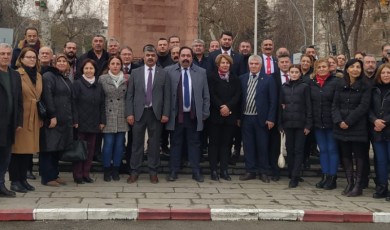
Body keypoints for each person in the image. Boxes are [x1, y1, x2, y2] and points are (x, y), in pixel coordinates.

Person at [125, 45, 170, 184]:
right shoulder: (135, 73)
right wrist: (129, 113)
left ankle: (153, 171)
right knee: (136, 144)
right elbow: (130, 95)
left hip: (155, 114)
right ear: (143, 57)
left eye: (153, 56)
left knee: (154, 144)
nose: (150, 58)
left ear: (156, 57)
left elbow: (167, 96)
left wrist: (165, 113)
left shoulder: (163, 73)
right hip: (139, 113)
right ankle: (134, 171)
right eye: (148, 55)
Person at [165, 46, 210, 182]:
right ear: (178, 57)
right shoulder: (169, 71)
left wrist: (205, 112)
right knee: (175, 143)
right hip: (176, 116)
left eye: (188, 56)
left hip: (194, 116)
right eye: (183, 56)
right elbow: (165, 95)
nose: (185, 58)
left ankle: (196, 171)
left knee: (195, 144)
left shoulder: (201, 72)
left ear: (192, 57)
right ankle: (173, 170)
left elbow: (205, 94)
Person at [332, 59, 371, 197]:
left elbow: (363, 106)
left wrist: (348, 121)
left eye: (358, 67)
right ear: (347, 69)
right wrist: (338, 120)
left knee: (359, 156)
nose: (355, 69)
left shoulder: (366, 85)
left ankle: (358, 185)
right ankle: (350, 182)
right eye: (352, 67)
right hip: (341, 126)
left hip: (357, 126)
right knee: (346, 155)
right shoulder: (340, 84)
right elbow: (334, 104)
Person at [238, 55, 277, 183]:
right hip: (246, 118)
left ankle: (263, 171)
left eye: (256, 64)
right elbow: (239, 99)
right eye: (251, 64)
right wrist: (238, 117)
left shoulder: (268, 79)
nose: (253, 66)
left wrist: (271, 118)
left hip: (261, 118)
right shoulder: (242, 79)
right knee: (248, 146)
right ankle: (250, 170)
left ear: (261, 65)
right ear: (248, 65)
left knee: (262, 146)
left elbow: (273, 100)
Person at [8, 48, 42, 193]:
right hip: (21, 117)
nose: (31, 59)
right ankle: (15, 180)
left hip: (34, 117)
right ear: (21, 59)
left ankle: (23, 179)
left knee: (28, 151)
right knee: (17, 151)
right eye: (28, 57)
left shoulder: (39, 76)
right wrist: (16, 120)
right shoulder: (16, 74)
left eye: (34, 57)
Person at [39, 54, 73, 187]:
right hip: (52, 119)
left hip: (63, 119)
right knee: (49, 148)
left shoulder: (63, 78)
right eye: (59, 61)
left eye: (64, 61)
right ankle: (47, 177)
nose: (62, 63)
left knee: (56, 148)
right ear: (53, 63)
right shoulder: (49, 76)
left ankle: (54, 174)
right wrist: (52, 115)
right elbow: (47, 96)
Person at [306, 58, 339, 190]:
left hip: (331, 122)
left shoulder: (336, 82)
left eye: (324, 67)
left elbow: (337, 103)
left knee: (332, 149)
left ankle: (333, 177)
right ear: (316, 69)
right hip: (317, 122)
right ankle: (325, 176)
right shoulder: (311, 83)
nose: (322, 69)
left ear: (329, 67)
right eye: (319, 67)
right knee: (323, 150)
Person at [208, 54, 241, 181]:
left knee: (226, 144)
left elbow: (237, 95)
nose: (225, 65)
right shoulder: (212, 77)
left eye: (227, 63)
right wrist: (221, 107)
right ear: (218, 64)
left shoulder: (235, 78)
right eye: (223, 63)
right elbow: (211, 94)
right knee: (214, 144)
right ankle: (213, 170)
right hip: (215, 116)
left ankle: (224, 170)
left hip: (230, 116)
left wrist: (228, 107)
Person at [72, 59, 105, 184]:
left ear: (95, 70)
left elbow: (102, 104)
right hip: (80, 122)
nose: (89, 71)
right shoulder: (77, 84)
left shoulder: (99, 85)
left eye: (91, 68)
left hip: (94, 122)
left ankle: (86, 173)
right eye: (86, 68)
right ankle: (78, 175)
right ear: (82, 70)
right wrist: (75, 120)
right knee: (80, 150)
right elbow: (73, 103)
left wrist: (102, 121)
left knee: (90, 151)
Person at [279, 65, 312, 188]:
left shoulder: (304, 87)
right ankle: (291, 171)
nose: (294, 74)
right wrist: (280, 123)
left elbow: (309, 106)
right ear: (288, 73)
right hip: (288, 123)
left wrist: (308, 124)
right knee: (290, 149)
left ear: (299, 74)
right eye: (291, 72)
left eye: (296, 72)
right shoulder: (284, 87)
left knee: (299, 150)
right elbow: (280, 106)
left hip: (301, 123)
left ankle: (295, 176)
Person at [98, 55, 129, 182]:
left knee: (119, 145)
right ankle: (106, 169)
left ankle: (116, 169)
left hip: (122, 114)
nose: (115, 66)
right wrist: (101, 119)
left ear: (121, 65)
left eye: (118, 64)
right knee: (108, 144)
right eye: (113, 64)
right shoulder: (102, 79)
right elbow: (99, 99)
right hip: (108, 114)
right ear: (109, 65)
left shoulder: (127, 78)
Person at [0, 43, 23, 197]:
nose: (6, 56)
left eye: (8, 54)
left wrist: (19, 121)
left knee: (5, 157)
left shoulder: (14, 75)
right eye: (2, 54)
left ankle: (1, 185)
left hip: (9, 124)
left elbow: (19, 101)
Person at [369, 63, 390, 201]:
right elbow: (368, 107)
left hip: (388, 129)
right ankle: (382, 187)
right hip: (376, 130)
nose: (386, 75)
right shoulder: (373, 89)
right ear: (379, 75)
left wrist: (384, 122)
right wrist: (375, 120)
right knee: (381, 160)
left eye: (388, 73)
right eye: (383, 73)